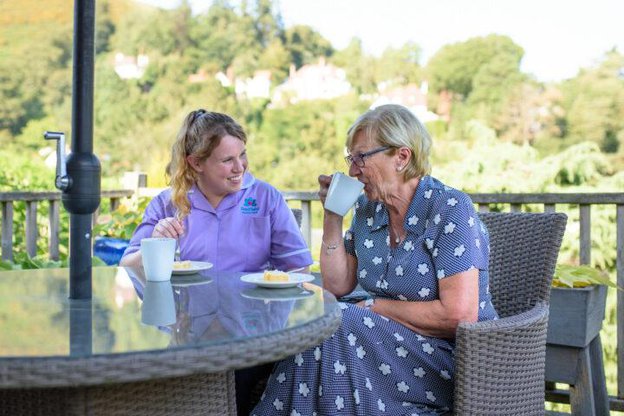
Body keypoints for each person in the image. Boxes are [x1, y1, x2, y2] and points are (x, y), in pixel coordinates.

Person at [251, 104, 498, 416]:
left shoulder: (449, 208)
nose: (353, 170)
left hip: (451, 362)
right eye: (350, 159)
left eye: (361, 158)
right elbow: (337, 285)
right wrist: (332, 216)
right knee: (324, 325)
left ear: (402, 157)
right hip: (370, 345)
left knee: (339, 322)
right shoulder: (370, 210)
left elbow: (459, 315)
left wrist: (373, 307)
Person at [120, 109, 313, 414]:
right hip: (186, 332)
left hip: (252, 333)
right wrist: (155, 242)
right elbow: (127, 266)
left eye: (242, 155)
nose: (240, 167)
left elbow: (299, 269)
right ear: (196, 163)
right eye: (227, 160)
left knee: (232, 376)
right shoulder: (168, 203)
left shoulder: (266, 198)